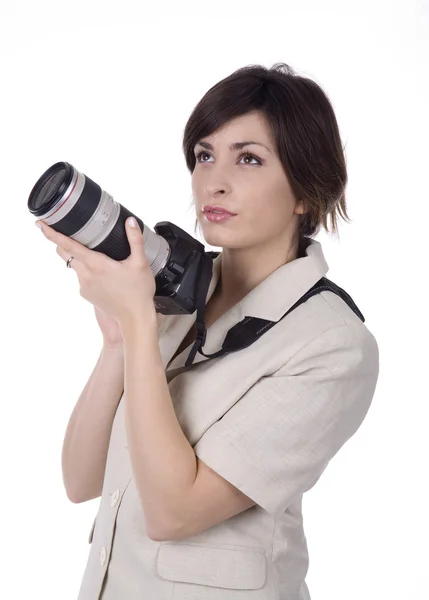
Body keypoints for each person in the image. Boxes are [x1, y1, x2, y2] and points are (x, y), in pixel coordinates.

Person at [61, 63, 379, 599]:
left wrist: (140, 324)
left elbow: (174, 512)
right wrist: (119, 340)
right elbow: (81, 480)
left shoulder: (334, 346)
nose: (215, 180)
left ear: (306, 191)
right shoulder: (176, 294)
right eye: (205, 155)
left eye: (249, 158)